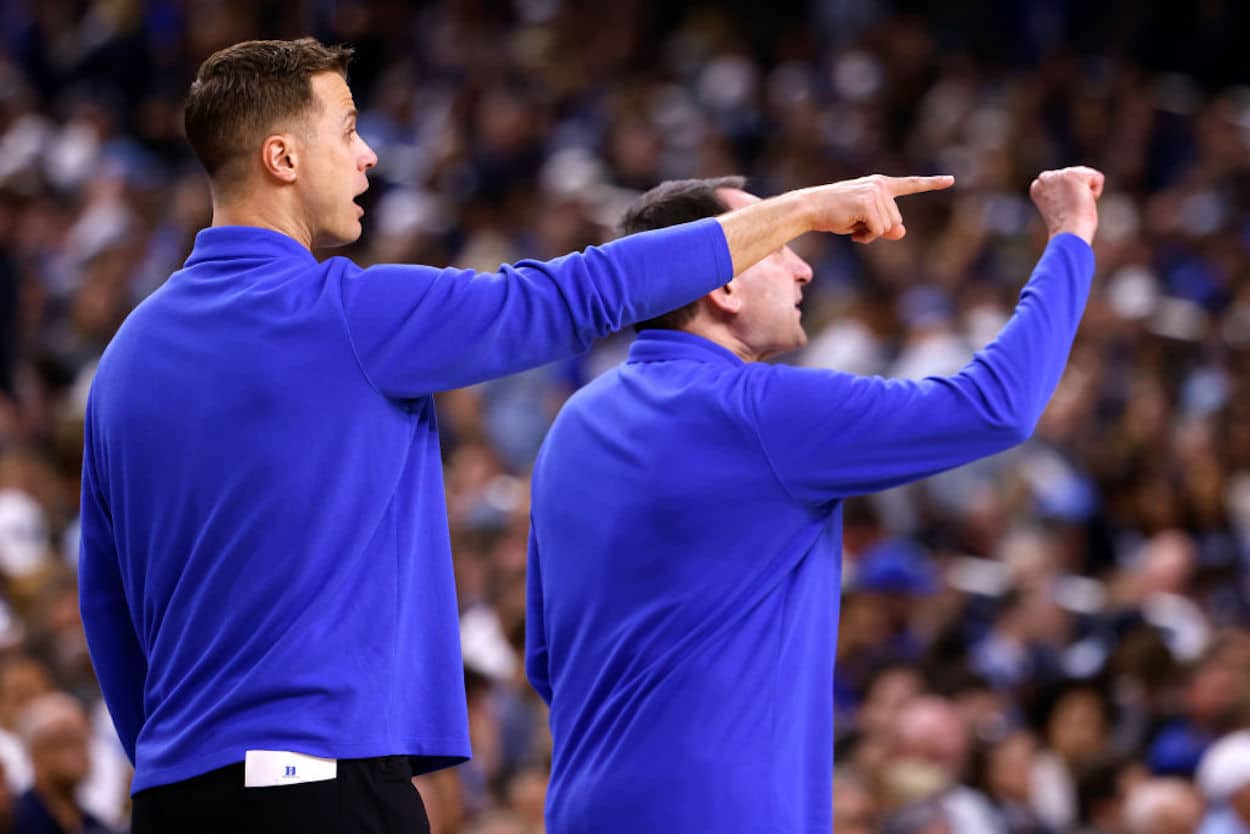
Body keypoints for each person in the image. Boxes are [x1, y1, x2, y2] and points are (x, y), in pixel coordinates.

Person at [76, 36, 953, 834]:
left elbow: (107, 604)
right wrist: (797, 211)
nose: (369, 153)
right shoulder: (348, 314)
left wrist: (178, 760)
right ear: (281, 157)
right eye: (347, 130)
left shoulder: (124, 361)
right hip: (315, 787)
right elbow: (581, 295)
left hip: (173, 796)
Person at [525, 167, 1103, 833]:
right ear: (724, 283)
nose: (803, 271)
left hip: (584, 806)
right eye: (782, 246)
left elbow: (547, 662)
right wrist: (1071, 237)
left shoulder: (572, 424)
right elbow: (995, 407)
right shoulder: (757, 413)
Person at [13, 692, 114, 834]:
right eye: (63, 742)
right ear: (33, 752)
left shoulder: (96, 824)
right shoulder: (12, 820)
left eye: (81, 741)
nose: (77, 753)